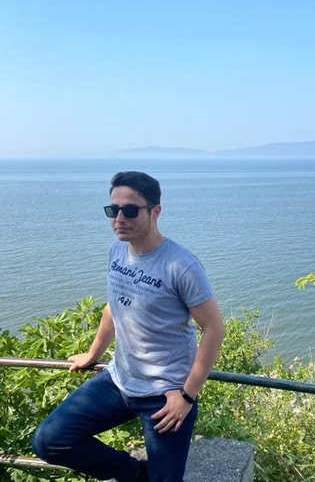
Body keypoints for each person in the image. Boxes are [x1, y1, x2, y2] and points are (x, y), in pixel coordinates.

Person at [33, 171, 225, 482]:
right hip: (119, 380)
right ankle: (135, 474)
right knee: (50, 440)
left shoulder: (181, 265)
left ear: (155, 211)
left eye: (130, 210)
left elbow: (214, 329)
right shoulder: (117, 251)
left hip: (166, 393)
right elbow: (114, 306)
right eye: (113, 210)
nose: (119, 218)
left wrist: (187, 396)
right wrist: (93, 354)